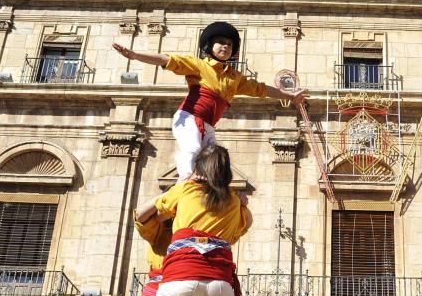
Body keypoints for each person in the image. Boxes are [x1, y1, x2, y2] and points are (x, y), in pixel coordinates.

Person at [113, 21, 307, 180]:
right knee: (193, 148)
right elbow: (167, 60)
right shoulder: (198, 65)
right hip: (189, 118)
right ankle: (185, 179)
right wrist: (136, 55)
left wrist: (290, 96)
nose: (225, 46)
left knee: (216, 159)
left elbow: (261, 89)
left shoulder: (234, 78)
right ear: (209, 46)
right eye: (221, 42)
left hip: (208, 126)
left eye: (229, 44)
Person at [147, 145, 253, 296]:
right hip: (219, 287)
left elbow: (159, 209)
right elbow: (241, 228)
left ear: (199, 170)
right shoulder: (234, 201)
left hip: (180, 280)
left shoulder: (186, 189)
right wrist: (242, 205)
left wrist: (183, 183)